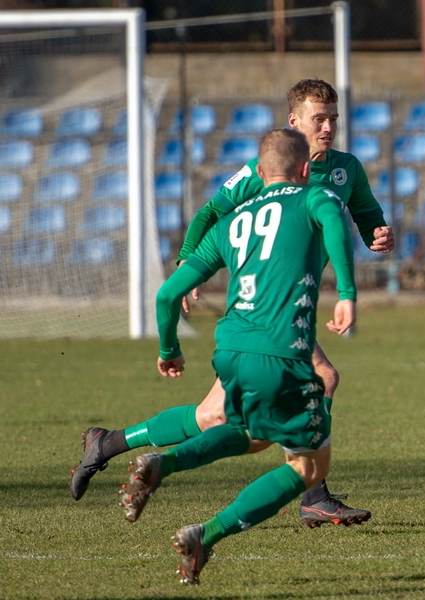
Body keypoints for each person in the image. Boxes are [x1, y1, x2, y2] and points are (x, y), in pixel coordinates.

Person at [70, 78, 391, 528]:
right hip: (263, 308)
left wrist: (379, 234)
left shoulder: (346, 169)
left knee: (211, 415)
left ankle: (108, 443)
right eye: (319, 118)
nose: (328, 127)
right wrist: (190, 263)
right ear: (294, 121)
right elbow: (208, 214)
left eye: (333, 118)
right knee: (322, 376)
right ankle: (312, 492)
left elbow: (368, 217)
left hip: (281, 310)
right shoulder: (264, 170)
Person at [119, 128, 355, 585]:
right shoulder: (314, 197)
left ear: (260, 173)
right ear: (305, 169)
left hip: (229, 351)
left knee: (251, 433)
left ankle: (161, 463)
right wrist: (346, 292)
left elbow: (168, 295)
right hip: (281, 353)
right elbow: (333, 221)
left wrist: (169, 349)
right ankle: (204, 532)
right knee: (308, 467)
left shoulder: (232, 221)